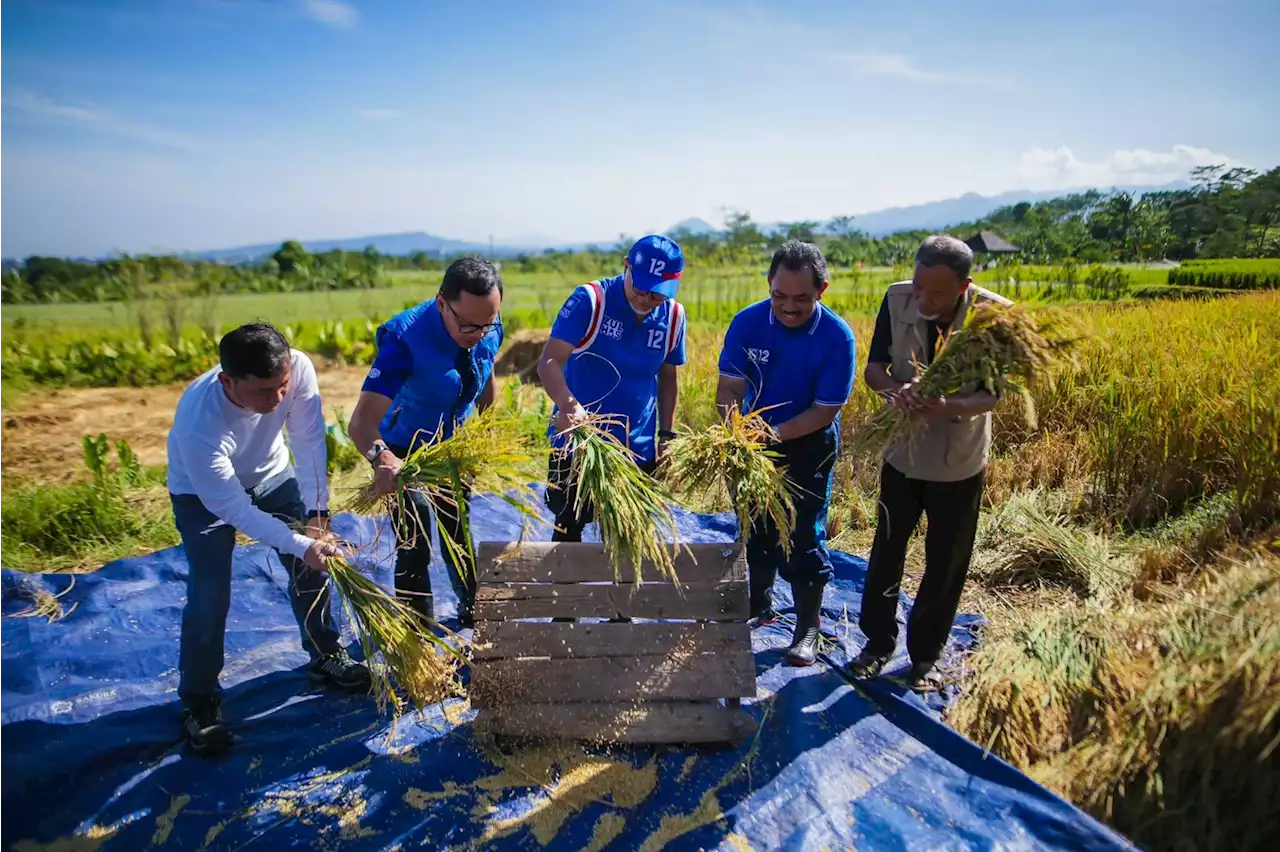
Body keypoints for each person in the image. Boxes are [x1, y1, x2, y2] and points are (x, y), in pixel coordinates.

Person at [167, 322, 371, 755]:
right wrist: (302, 544)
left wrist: (317, 514)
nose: (277, 399)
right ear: (227, 381)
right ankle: (199, 703)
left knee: (310, 571)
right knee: (210, 594)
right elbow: (235, 510)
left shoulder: (295, 368)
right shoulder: (199, 424)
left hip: (272, 475)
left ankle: (325, 655)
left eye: (281, 387)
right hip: (203, 498)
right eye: (263, 392)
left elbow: (308, 439)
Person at [848, 234, 1012, 691]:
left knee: (945, 561)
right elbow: (875, 368)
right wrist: (893, 393)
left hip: (956, 461)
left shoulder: (991, 316)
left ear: (964, 287)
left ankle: (925, 656)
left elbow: (991, 395)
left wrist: (946, 404)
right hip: (902, 454)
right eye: (919, 286)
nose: (922, 298)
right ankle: (877, 643)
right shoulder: (896, 298)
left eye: (935, 293)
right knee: (886, 551)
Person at [716, 239, 856, 666]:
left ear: (822, 290)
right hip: (753, 441)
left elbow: (825, 410)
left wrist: (773, 433)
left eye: (801, 298)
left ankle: (807, 627)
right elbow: (730, 388)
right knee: (754, 523)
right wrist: (735, 430)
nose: (788, 307)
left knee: (801, 533)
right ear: (768, 285)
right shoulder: (747, 323)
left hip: (807, 440)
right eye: (779, 296)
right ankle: (758, 604)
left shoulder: (836, 337)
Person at [348, 255, 504, 629]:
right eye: (468, 325)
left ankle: (473, 611)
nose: (478, 333)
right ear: (441, 303)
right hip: (402, 450)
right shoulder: (404, 341)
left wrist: (486, 432)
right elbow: (361, 423)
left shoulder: (486, 323)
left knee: (459, 531)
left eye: (488, 324)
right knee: (414, 539)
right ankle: (419, 632)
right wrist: (381, 457)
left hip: (453, 446)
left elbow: (486, 375)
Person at [537, 234, 687, 542]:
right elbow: (550, 361)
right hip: (578, 443)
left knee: (629, 540)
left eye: (657, 292)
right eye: (641, 287)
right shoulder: (591, 301)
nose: (647, 298)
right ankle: (567, 591)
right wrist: (569, 405)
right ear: (626, 267)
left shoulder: (672, 316)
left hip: (636, 446)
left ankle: (622, 592)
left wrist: (667, 435)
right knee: (568, 530)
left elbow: (668, 378)